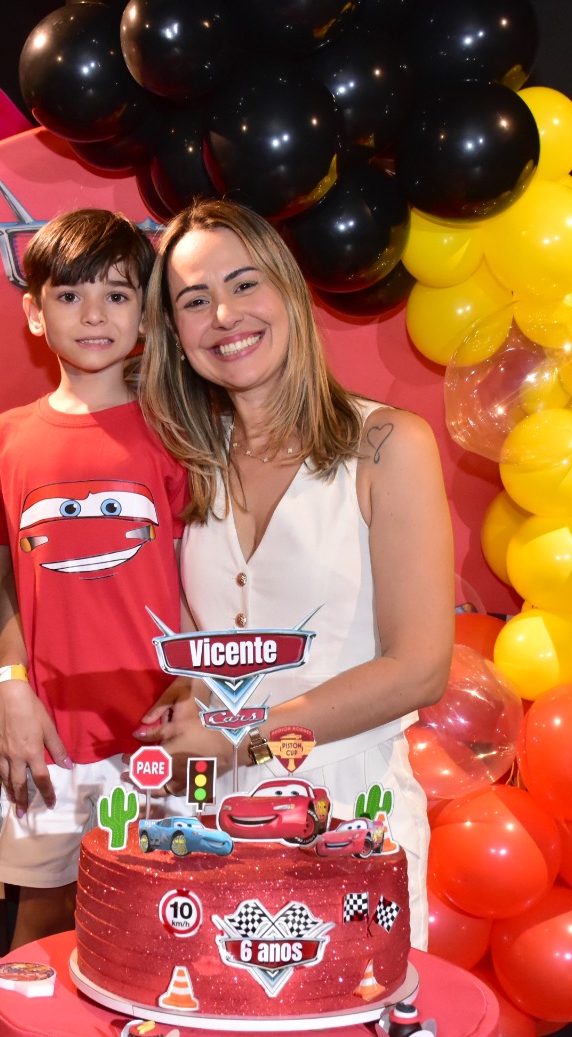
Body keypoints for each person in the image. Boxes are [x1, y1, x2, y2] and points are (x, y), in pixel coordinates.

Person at [135, 198, 454, 948]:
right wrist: (182, 705)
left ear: (289, 291)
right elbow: (201, 654)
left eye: (244, 284)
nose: (224, 314)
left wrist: (243, 737)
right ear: (175, 335)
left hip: (351, 812)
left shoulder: (388, 445)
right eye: (193, 300)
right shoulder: (189, 462)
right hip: (212, 820)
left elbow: (419, 668)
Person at [0, 208, 190, 948]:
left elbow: (200, 573)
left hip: (162, 727)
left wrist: (200, 688)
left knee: (162, 915)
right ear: (34, 312)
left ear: (145, 315)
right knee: (43, 915)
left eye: (117, 295)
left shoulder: (176, 433)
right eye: (69, 295)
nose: (93, 315)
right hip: (50, 733)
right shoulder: (4, 437)